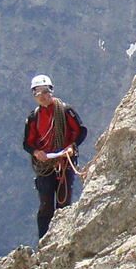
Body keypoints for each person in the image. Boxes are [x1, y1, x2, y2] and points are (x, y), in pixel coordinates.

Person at [22, 74, 87, 240]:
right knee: (45, 205)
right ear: (34, 95)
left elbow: (81, 131)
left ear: (51, 91)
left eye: (46, 91)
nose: (44, 96)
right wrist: (37, 152)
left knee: (63, 202)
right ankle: (44, 240)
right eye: (39, 93)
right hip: (45, 165)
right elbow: (27, 143)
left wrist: (72, 147)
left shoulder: (65, 111)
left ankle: (63, 238)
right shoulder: (33, 118)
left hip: (65, 161)